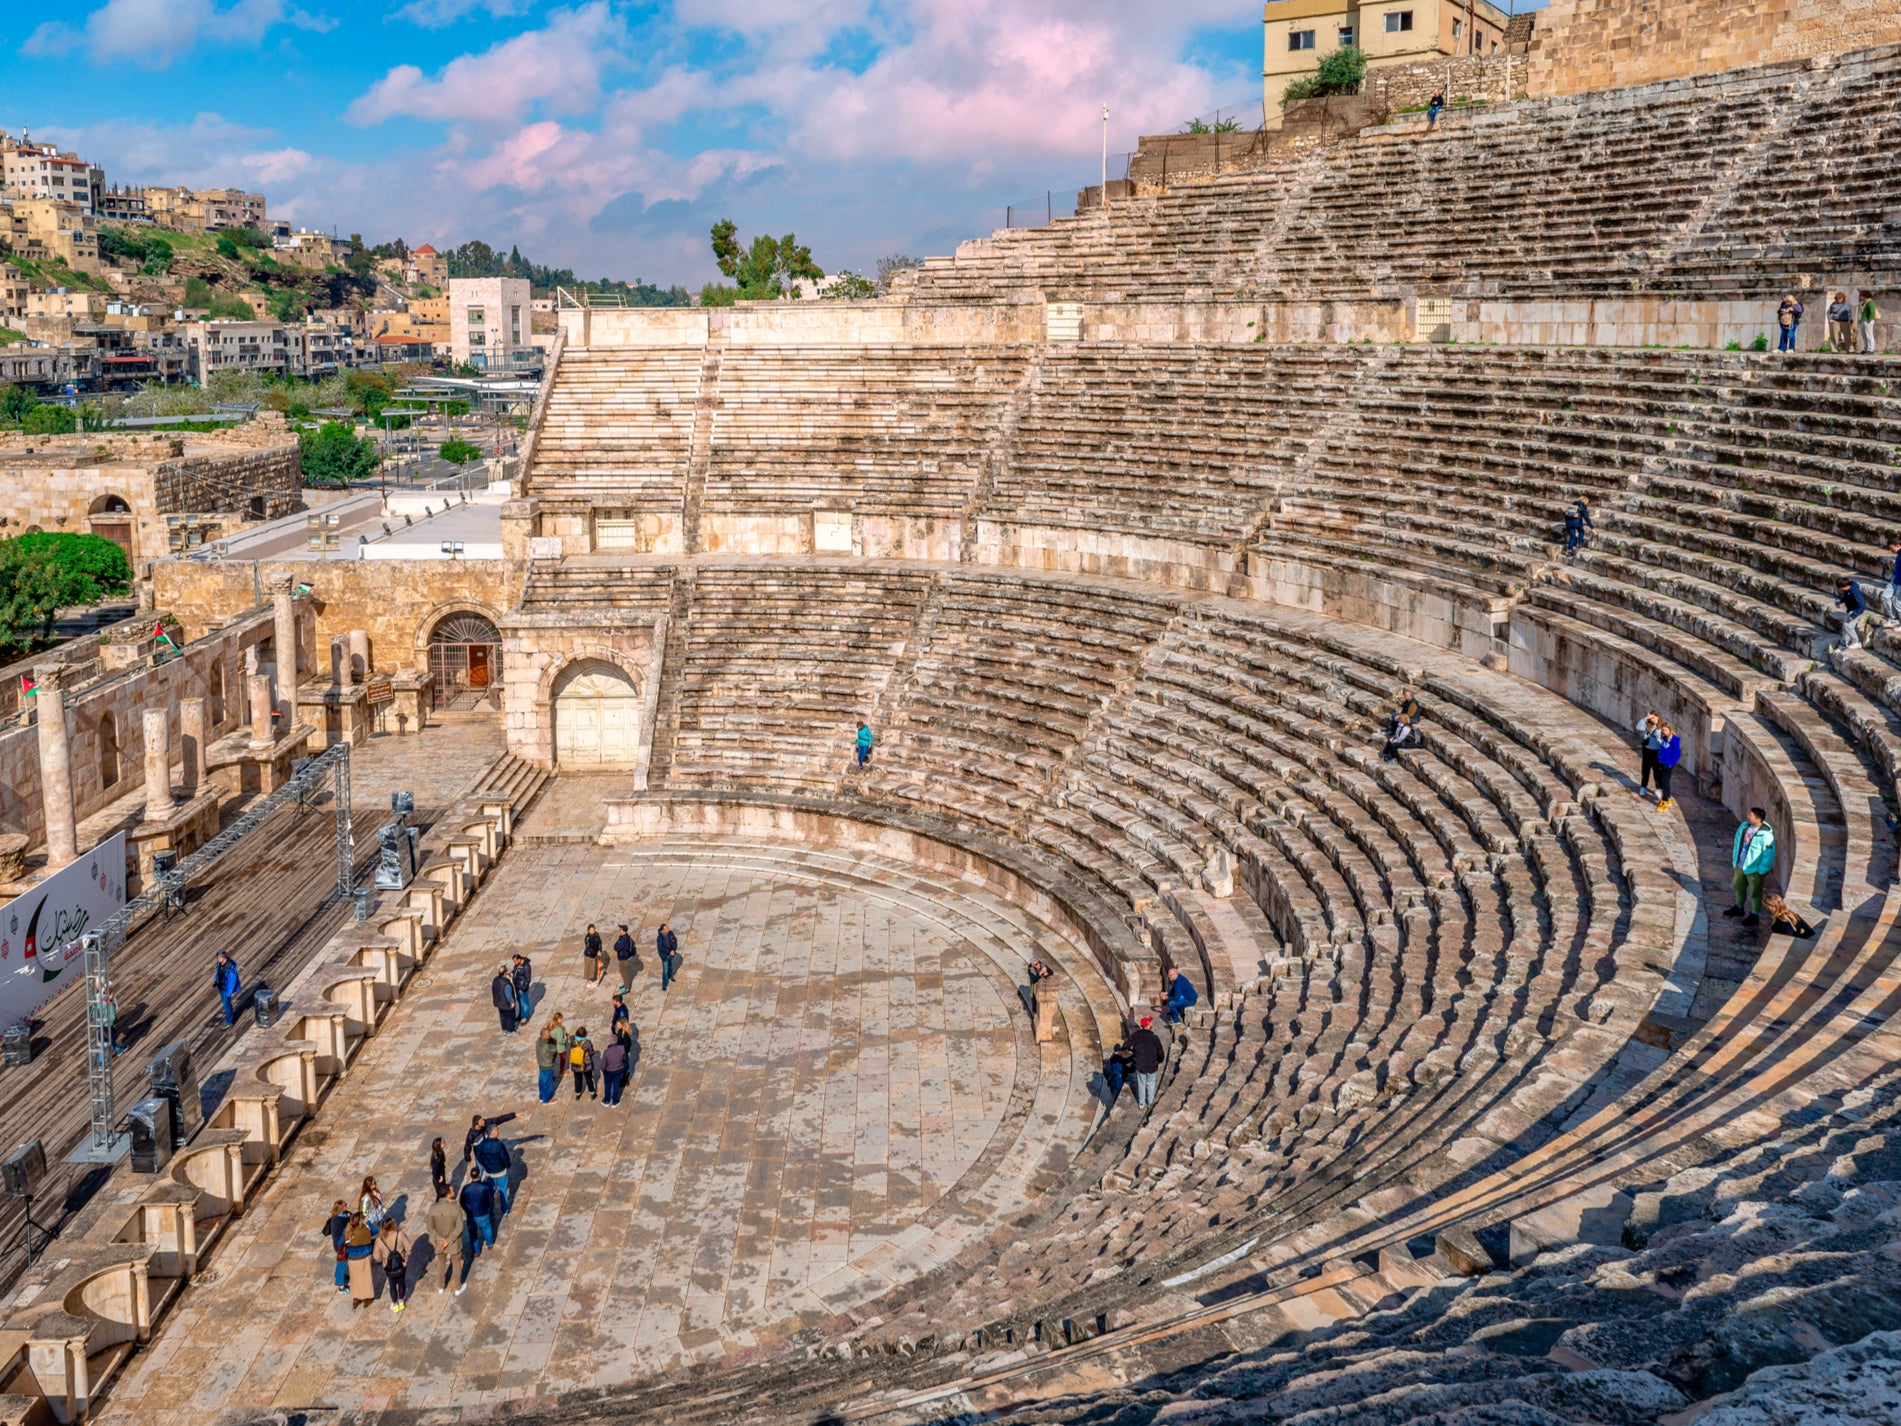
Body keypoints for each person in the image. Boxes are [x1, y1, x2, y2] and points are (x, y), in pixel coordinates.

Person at [1725, 807, 1776, 928]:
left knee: (1755, 892)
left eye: (1751, 815)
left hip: (1754, 869)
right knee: (1737, 886)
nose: (1748, 816)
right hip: (1740, 865)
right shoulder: (1744, 827)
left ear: (1758, 819)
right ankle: (1739, 906)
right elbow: (1738, 842)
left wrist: (1761, 870)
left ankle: (1755, 914)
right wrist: (1735, 860)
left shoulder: (1766, 836)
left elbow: (1769, 855)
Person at [425, 1182, 463, 1294]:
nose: (454, 1192)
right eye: (452, 1191)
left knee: (441, 1263)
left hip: (439, 1242)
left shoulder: (433, 1208)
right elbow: (459, 1227)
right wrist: (448, 1240)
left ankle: (441, 1286)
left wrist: (439, 1239)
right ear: (448, 1194)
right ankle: (457, 1287)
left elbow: (429, 1227)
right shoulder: (456, 1209)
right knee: (456, 1264)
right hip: (453, 1242)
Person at [457, 1171, 495, 1284]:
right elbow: (490, 1200)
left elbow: (462, 1202)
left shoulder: (466, 1188)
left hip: (471, 1214)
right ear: (479, 1175)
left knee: (473, 1233)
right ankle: (489, 1243)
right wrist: (489, 1208)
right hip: (483, 1212)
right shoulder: (484, 1187)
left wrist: (468, 1210)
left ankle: (476, 1251)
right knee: (486, 1228)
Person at [372, 1218, 414, 1313]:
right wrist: (405, 1259)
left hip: (388, 1267)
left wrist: (384, 1260)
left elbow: (376, 1257)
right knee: (401, 1282)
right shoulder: (400, 1234)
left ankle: (395, 1304)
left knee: (392, 1284)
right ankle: (402, 1301)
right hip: (401, 1264)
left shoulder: (379, 1240)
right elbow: (409, 1248)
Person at [1128, 1015, 1165, 1110]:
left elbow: (1126, 1045)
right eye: (1150, 1022)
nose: (1151, 1024)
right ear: (1148, 1025)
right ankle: (1150, 1103)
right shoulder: (1154, 1038)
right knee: (1150, 1084)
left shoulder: (1135, 1036)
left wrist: (1132, 1051)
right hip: (1152, 1065)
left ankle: (1141, 1104)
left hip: (1140, 1065)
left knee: (1141, 1084)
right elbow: (1160, 1052)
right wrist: (1160, 1061)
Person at [472, 1125, 512, 1211]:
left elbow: (478, 1157)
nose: (499, 1130)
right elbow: (505, 1158)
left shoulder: (481, 1145)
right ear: (493, 1134)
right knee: (503, 1190)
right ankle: (505, 1210)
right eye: (497, 1130)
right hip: (500, 1172)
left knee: (490, 1192)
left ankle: (490, 1213)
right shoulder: (499, 1146)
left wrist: (485, 1165)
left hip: (489, 1172)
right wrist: (507, 1165)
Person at [343, 1211, 377, 1309]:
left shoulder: (349, 1231)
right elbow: (374, 1231)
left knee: (355, 1278)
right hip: (365, 1255)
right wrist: (368, 1222)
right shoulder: (366, 1229)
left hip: (353, 1257)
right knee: (366, 1277)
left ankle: (356, 1298)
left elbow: (344, 1240)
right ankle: (367, 1297)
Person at [322, 1197, 352, 1294]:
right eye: (345, 1206)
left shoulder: (336, 1217)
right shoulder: (340, 1220)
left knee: (341, 1262)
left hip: (339, 1244)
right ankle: (340, 1285)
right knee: (342, 1264)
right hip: (341, 1245)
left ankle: (340, 1276)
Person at [1634, 711, 1664, 798]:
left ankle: (1658, 788)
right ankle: (1643, 787)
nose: (1652, 720)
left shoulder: (1662, 726)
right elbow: (1639, 727)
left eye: (1654, 718)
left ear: (1658, 717)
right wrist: (1646, 718)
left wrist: (1659, 739)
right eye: (1651, 718)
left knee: (1657, 771)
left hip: (1657, 751)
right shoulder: (1648, 725)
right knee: (1645, 770)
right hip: (1647, 750)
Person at [1654, 721, 1682, 813]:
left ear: (1670, 730)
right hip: (1661, 762)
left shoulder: (1674, 739)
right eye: (1663, 730)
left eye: (1666, 730)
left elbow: (1677, 754)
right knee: (1660, 781)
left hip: (1668, 764)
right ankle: (1668, 798)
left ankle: (1665, 801)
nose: (1664, 732)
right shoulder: (1664, 738)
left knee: (1665, 782)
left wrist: (1670, 764)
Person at [1837, 576, 1870, 649]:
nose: (1840, 589)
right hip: (1850, 609)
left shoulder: (1855, 592)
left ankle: (1856, 642)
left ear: (1844, 586)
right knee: (1845, 627)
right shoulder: (1848, 590)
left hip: (1855, 611)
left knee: (1848, 626)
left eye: (1840, 587)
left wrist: (1854, 615)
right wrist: (1841, 601)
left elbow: (1862, 606)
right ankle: (1845, 642)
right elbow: (1847, 598)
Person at [569, 1027, 598, 1099]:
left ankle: (578, 1094)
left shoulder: (572, 1041)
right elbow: (591, 1052)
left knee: (577, 1079)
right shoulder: (587, 1042)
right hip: (586, 1064)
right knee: (589, 1078)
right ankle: (592, 1093)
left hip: (575, 1064)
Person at [601, 1032, 629, 1106]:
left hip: (608, 1071)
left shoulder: (606, 1052)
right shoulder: (621, 1048)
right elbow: (624, 1058)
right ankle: (615, 1101)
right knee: (616, 1085)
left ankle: (606, 1100)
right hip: (618, 1070)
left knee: (608, 1085)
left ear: (610, 1042)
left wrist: (603, 1070)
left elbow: (603, 1064)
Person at [214, 952, 241, 1027]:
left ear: (223, 958)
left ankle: (229, 1022)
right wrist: (216, 979)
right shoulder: (220, 964)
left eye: (218, 958)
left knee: (226, 1004)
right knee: (226, 1003)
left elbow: (232, 981)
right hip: (221, 987)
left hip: (226, 989)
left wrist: (229, 991)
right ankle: (230, 1014)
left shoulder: (230, 967)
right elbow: (218, 972)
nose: (217, 959)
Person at [535, 1025, 561, 1104]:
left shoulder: (539, 1041)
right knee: (548, 1083)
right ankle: (547, 1099)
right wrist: (555, 1042)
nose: (550, 1035)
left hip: (541, 1064)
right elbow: (554, 1050)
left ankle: (542, 1096)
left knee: (542, 1081)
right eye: (548, 1034)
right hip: (547, 1066)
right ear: (544, 1035)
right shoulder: (547, 1047)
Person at [1104, 1039, 1134, 1103]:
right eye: (1122, 1050)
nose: (1123, 1052)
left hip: (1115, 1079)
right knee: (1116, 1094)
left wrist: (1132, 1058)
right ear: (1119, 1051)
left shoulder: (1115, 1057)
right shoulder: (1115, 1061)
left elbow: (1124, 1062)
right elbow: (1122, 1067)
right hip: (1116, 1081)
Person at [491, 964, 518, 1034]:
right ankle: (510, 1030)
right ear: (505, 973)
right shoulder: (506, 984)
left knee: (503, 1016)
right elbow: (508, 995)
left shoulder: (495, 979)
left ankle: (504, 1029)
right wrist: (512, 1002)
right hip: (506, 1003)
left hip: (499, 1002)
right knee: (510, 1017)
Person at [1881, 536, 1901, 623]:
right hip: (1895, 579)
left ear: (1898, 546)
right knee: (1885, 596)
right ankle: (1894, 618)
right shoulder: (1899, 554)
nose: (1891, 550)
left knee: (1898, 604)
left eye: (1891, 548)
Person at [613, 923, 636, 995]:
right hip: (623, 958)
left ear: (623, 931)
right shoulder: (624, 938)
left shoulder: (624, 939)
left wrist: (617, 945)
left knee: (625, 974)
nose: (619, 931)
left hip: (624, 960)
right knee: (622, 973)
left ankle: (627, 989)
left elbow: (616, 947)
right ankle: (625, 984)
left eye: (620, 929)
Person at [510, 953, 533, 1024]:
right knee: (519, 1001)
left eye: (516, 961)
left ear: (519, 959)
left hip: (522, 988)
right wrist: (512, 973)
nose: (515, 963)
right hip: (517, 986)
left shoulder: (526, 967)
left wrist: (523, 988)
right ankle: (521, 1014)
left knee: (524, 1002)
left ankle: (525, 1016)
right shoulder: (517, 965)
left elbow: (527, 979)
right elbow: (515, 971)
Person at [657, 923, 680, 991]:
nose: (668, 928)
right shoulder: (660, 938)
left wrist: (673, 950)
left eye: (667, 927)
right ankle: (664, 984)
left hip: (672, 954)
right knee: (665, 971)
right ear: (663, 930)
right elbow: (661, 948)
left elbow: (675, 941)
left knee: (671, 966)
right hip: (665, 956)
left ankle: (671, 977)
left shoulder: (670, 933)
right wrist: (669, 952)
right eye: (666, 928)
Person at [1859, 289, 1880, 356]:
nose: (1860, 297)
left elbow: (1872, 312)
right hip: (1863, 320)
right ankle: (1866, 349)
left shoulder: (1870, 302)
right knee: (1864, 336)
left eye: (1861, 295)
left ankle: (1870, 349)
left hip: (1867, 320)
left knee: (1869, 335)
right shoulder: (1865, 302)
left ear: (1865, 296)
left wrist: (1869, 320)